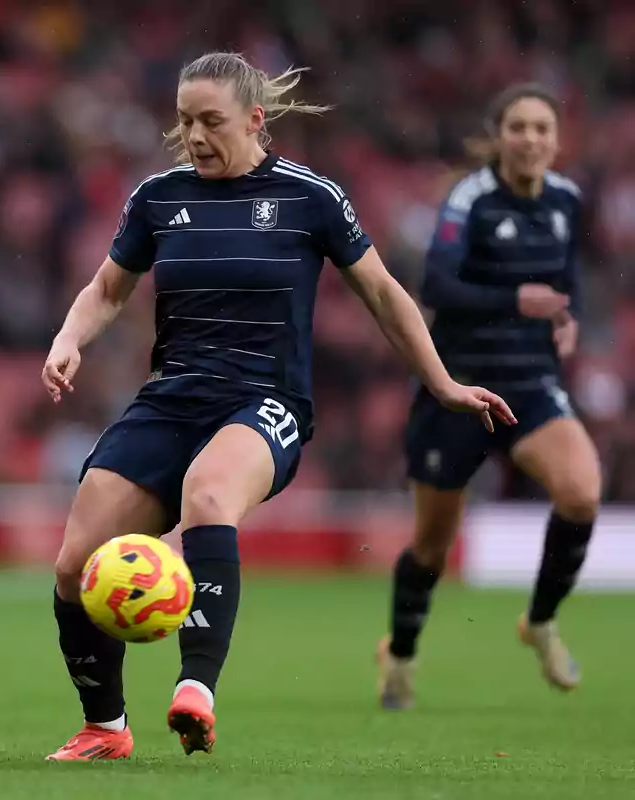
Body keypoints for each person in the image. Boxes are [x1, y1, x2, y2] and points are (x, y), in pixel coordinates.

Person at [40, 51, 516, 761]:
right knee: (75, 565)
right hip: (171, 401)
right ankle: (104, 727)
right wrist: (69, 338)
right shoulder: (157, 197)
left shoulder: (310, 198)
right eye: (183, 121)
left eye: (211, 121)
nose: (195, 136)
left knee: (207, 495)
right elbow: (109, 289)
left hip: (265, 402)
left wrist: (443, 383)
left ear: (255, 120)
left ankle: (195, 688)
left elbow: (384, 294)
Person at [378, 83, 600, 709]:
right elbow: (435, 285)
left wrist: (569, 315)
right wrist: (513, 301)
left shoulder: (567, 199)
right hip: (460, 391)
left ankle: (540, 621)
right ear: (499, 135)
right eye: (519, 127)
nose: (531, 139)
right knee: (431, 545)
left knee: (582, 492)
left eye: (542, 129)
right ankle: (399, 657)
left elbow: (568, 276)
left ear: (557, 141)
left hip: (530, 385)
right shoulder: (469, 198)